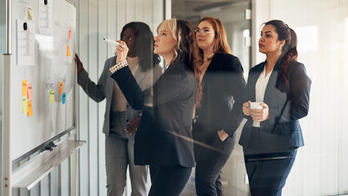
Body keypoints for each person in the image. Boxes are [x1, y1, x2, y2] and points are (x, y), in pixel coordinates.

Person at [110, 19, 201, 196]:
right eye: (158, 33)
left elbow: (139, 100)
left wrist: (121, 62)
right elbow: (162, 108)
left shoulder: (179, 74)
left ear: (179, 40)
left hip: (174, 161)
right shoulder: (173, 70)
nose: (156, 38)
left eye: (163, 33)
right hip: (163, 156)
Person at [75, 22, 162, 196]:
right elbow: (99, 94)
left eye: (129, 37)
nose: (124, 41)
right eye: (123, 36)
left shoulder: (155, 69)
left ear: (141, 41)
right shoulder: (111, 63)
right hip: (114, 130)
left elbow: (159, 104)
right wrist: (80, 73)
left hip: (140, 132)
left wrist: (142, 118)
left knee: (139, 188)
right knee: (114, 187)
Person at [239, 20, 312, 196]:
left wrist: (269, 114)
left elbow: (301, 108)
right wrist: (246, 109)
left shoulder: (296, 69)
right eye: (261, 34)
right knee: (256, 192)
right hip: (253, 141)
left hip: (281, 143)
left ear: (281, 42)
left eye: (268, 35)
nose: (261, 39)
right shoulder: (255, 71)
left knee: (270, 192)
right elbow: (249, 100)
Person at [192, 17, 246, 195]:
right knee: (212, 181)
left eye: (206, 30)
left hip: (219, 133)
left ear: (217, 34)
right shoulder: (195, 63)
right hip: (198, 132)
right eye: (198, 30)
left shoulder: (228, 61)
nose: (200, 33)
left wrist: (226, 131)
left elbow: (243, 99)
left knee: (204, 181)